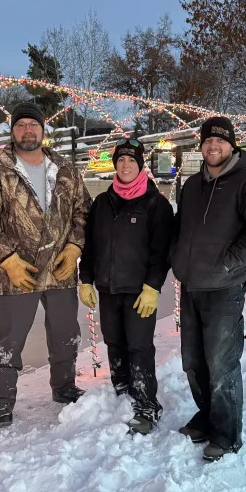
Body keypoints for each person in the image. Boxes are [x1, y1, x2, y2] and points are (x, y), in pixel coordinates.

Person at [0, 102, 90, 428]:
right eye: (21, 125)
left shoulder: (65, 169)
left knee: (66, 333)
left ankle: (64, 387)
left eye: (33, 125)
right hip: (17, 276)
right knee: (9, 339)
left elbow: (83, 211)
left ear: (43, 129)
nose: (27, 130)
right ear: (13, 131)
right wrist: (8, 260)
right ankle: (1, 403)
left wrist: (75, 246)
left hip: (59, 272)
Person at [170, 116, 246, 461]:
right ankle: (206, 417)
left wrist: (231, 261)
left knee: (221, 364)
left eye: (220, 141)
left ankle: (227, 433)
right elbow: (181, 228)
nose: (213, 147)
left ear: (232, 145)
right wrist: (176, 259)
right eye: (207, 142)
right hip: (191, 285)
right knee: (193, 361)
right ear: (201, 147)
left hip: (224, 288)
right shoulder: (191, 186)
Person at [78, 137, 174, 435]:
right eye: (120, 160)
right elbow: (91, 246)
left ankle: (147, 405)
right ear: (114, 164)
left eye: (131, 160)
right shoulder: (103, 203)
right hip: (108, 291)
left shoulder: (155, 204)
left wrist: (153, 287)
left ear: (141, 164)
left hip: (139, 293)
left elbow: (162, 251)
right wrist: (85, 280)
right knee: (115, 343)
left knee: (139, 347)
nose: (125, 165)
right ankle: (123, 392)